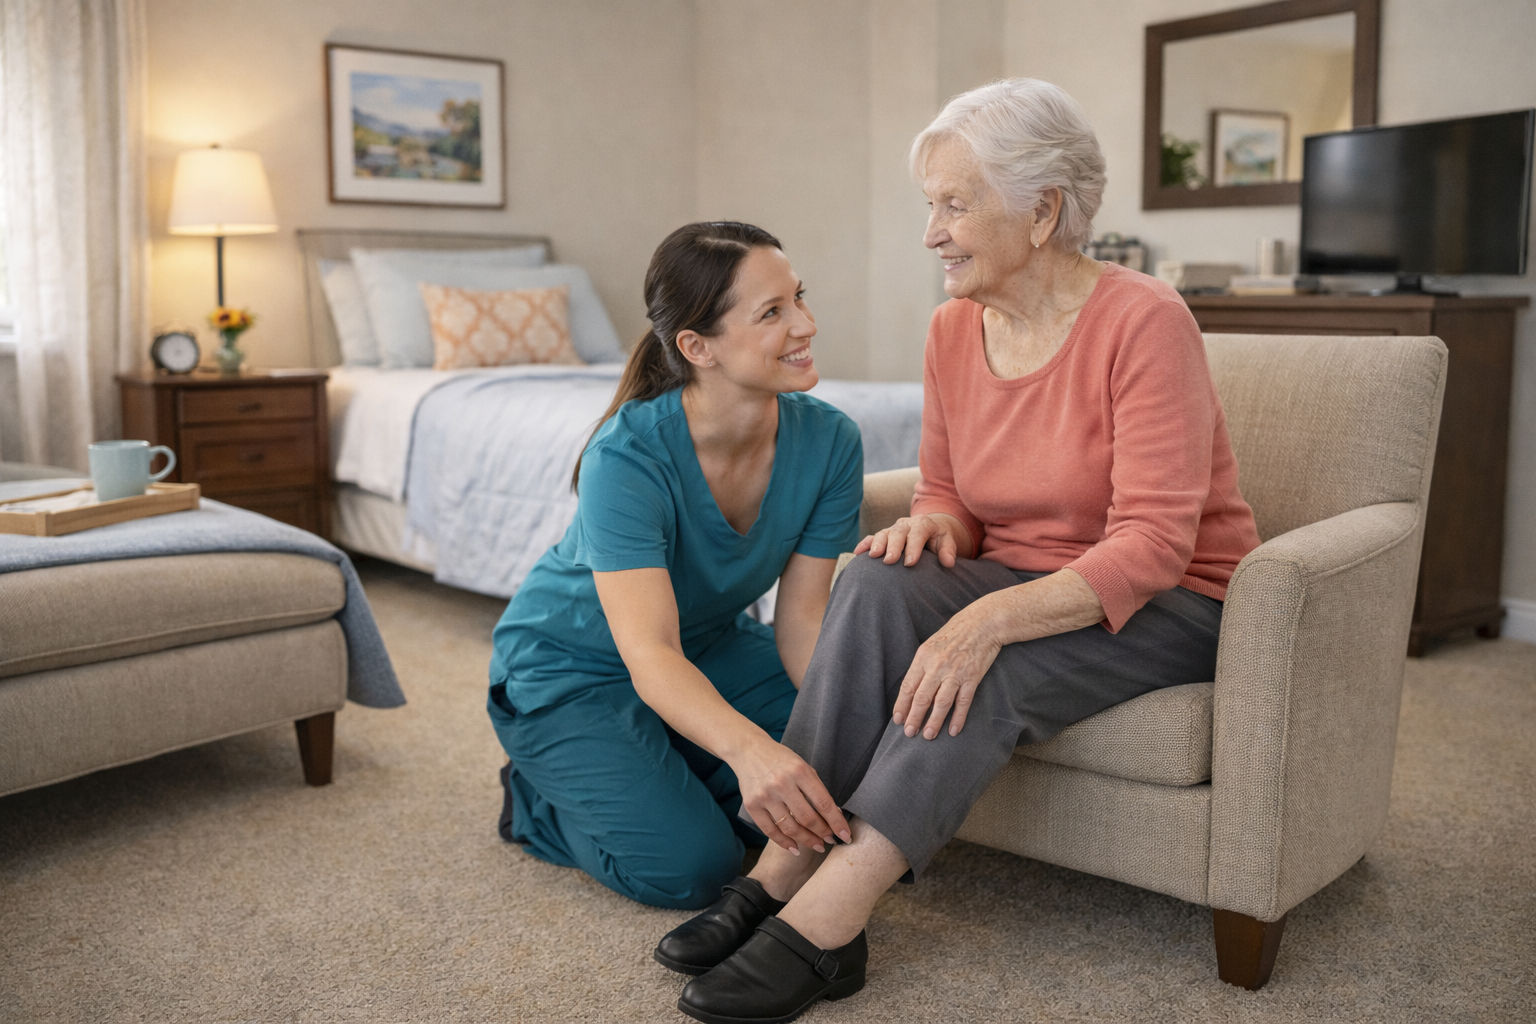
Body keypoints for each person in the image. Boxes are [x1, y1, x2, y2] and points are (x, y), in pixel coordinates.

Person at [665, 80, 1263, 1024]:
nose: (931, 232)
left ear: (1044, 212)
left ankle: (828, 923)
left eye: (954, 204)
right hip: (1025, 575)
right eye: (929, 205)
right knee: (873, 584)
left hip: (1171, 602)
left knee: (991, 671)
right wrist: (937, 529)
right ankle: (786, 859)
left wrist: (984, 622)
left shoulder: (1145, 320)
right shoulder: (953, 328)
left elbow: (1153, 544)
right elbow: (951, 496)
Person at [487, 221, 864, 913]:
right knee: (696, 867)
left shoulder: (831, 440)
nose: (806, 324)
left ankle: (669, 754)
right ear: (697, 347)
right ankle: (535, 797)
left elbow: (803, 621)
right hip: (572, 667)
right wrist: (752, 755)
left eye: (800, 298)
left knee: (845, 774)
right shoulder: (626, 457)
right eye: (773, 312)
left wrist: (837, 738)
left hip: (709, 648)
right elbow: (649, 651)